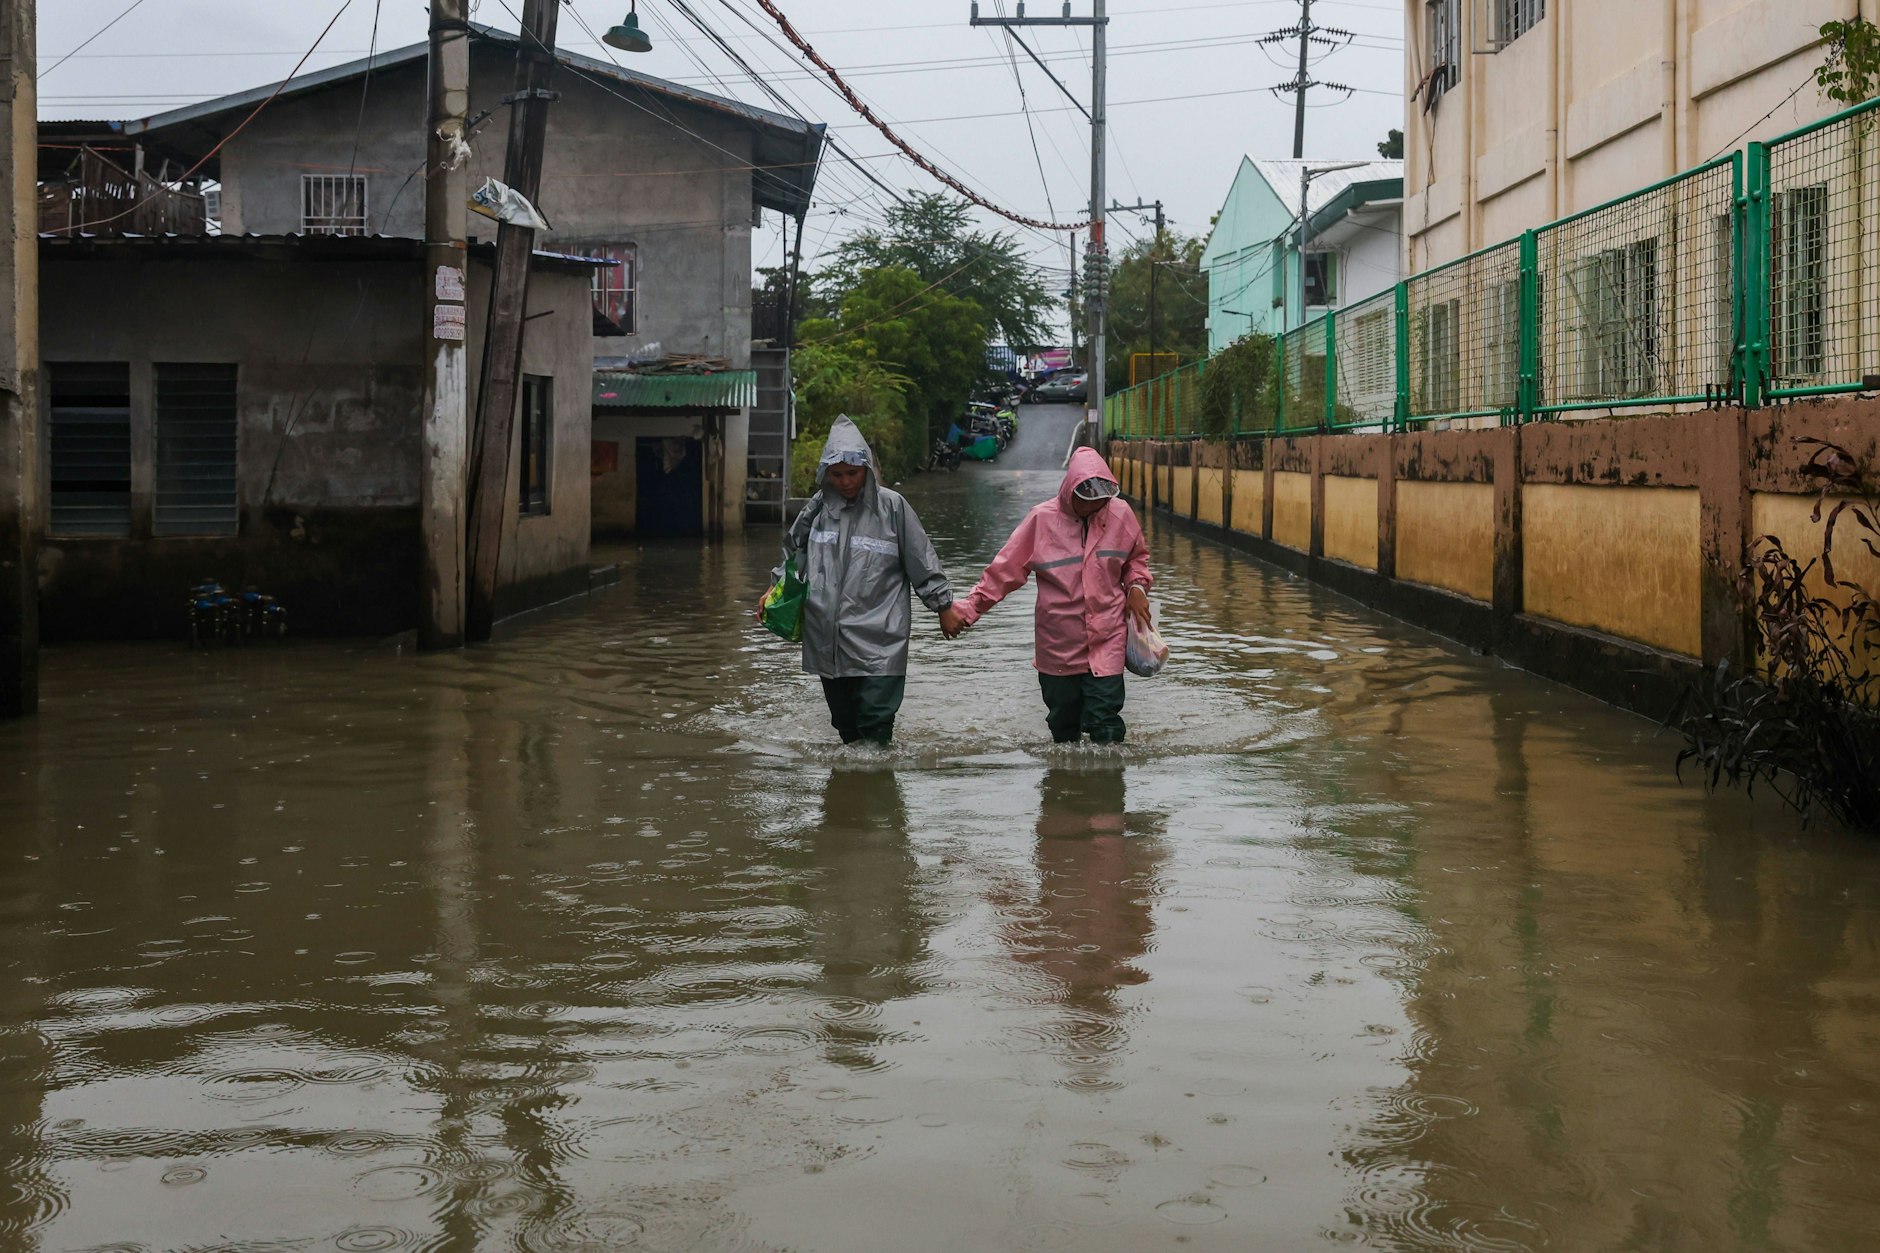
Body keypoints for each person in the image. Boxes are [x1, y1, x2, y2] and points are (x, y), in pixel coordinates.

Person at [776, 416, 964, 746]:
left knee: (875, 721)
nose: (846, 482)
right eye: (837, 475)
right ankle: (851, 791)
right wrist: (776, 591)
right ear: (826, 474)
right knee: (846, 726)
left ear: (866, 469)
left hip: (880, 638)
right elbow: (794, 554)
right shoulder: (817, 510)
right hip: (828, 637)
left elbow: (921, 559)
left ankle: (877, 788)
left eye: (852, 473)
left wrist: (943, 606)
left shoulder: (892, 508)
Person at [953, 447, 1152, 744]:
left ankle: (1107, 786)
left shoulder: (1119, 514)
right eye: (1087, 500)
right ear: (1071, 490)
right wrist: (968, 610)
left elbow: (1137, 559)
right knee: (1063, 726)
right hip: (1058, 644)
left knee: (1106, 723)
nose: (1094, 507)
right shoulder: (1041, 520)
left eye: (1100, 501)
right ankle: (1065, 784)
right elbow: (1004, 572)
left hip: (1108, 638)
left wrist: (1136, 587)